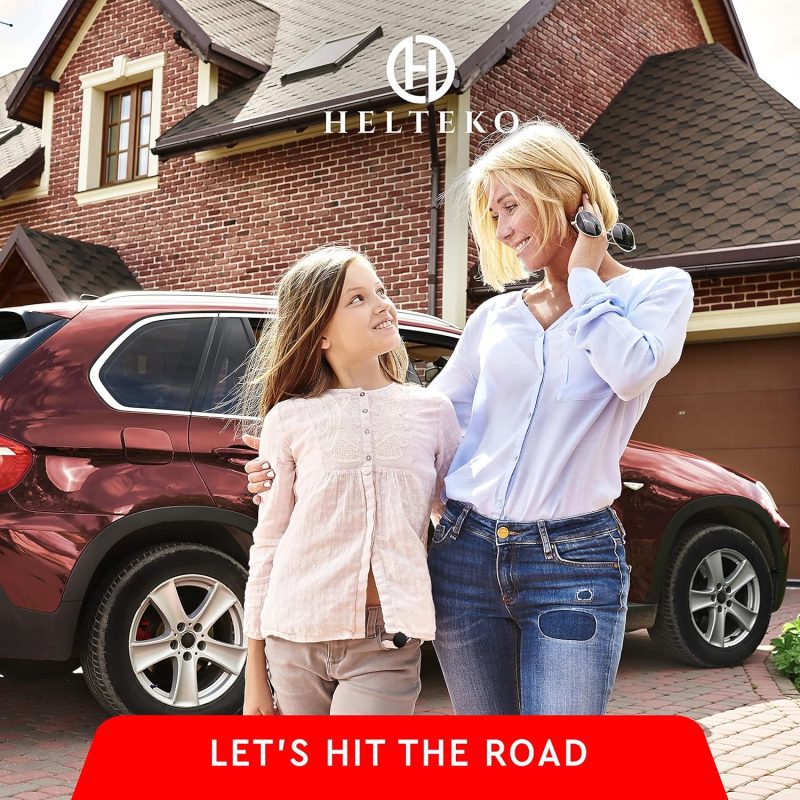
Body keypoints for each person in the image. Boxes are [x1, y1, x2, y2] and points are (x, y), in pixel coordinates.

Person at [244, 120, 694, 715]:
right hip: (465, 552)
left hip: (572, 560)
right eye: (495, 215)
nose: (504, 231)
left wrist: (585, 278)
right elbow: (425, 420)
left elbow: (631, 370)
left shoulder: (656, 293)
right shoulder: (495, 319)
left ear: (564, 190)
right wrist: (300, 465)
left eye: (511, 207)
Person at [238, 245, 460, 716]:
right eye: (356, 299)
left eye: (379, 290)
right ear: (319, 334)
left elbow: (457, 513)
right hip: (292, 635)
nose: (382, 303)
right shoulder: (289, 418)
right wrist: (253, 678)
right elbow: (269, 544)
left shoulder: (431, 412)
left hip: (385, 640)